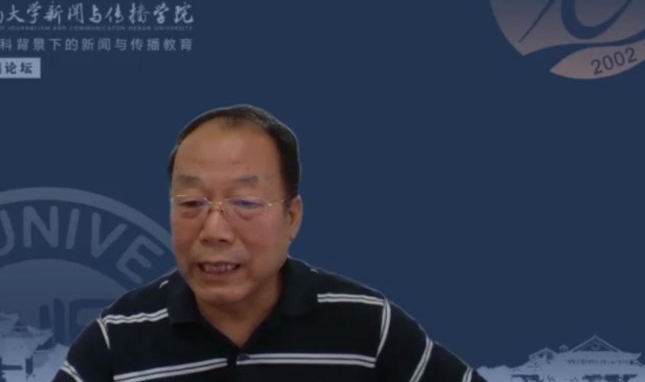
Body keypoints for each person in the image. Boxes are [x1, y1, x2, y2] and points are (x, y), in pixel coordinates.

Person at [53, 104, 487, 382]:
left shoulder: (367, 327)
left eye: (244, 202)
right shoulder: (117, 338)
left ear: (292, 216)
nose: (214, 230)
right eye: (191, 203)